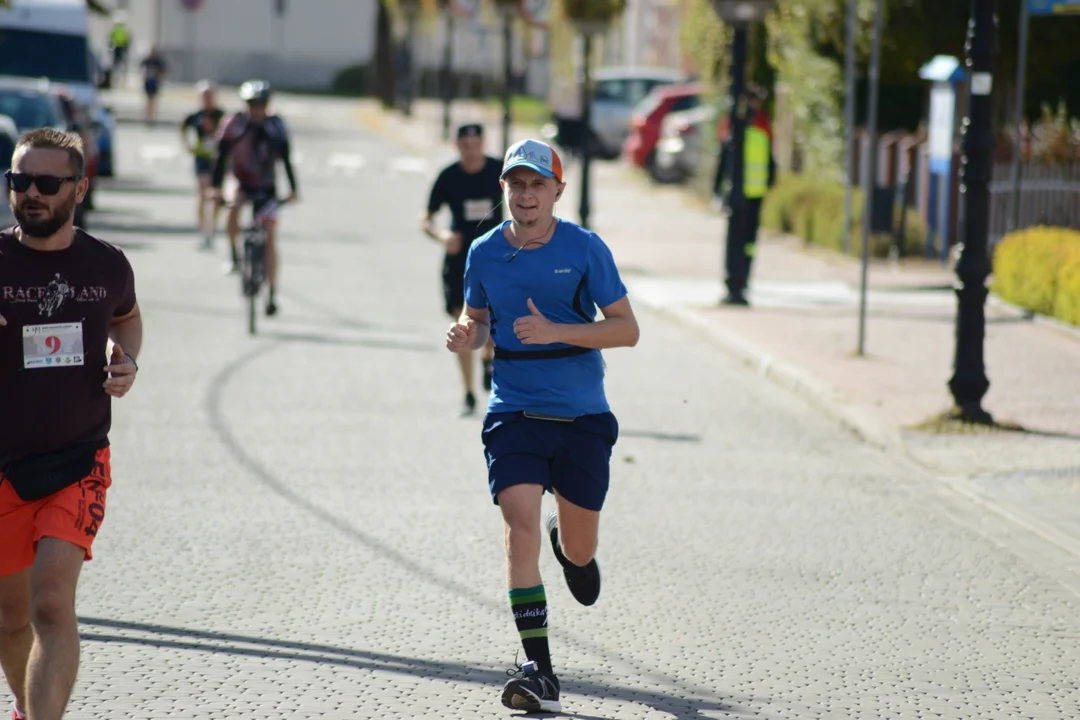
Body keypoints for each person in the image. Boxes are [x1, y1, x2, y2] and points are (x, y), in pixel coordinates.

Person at [445, 139, 640, 713]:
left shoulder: (584, 249)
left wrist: (558, 331)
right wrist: (466, 333)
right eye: (516, 185)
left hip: (581, 415)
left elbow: (626, 329)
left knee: (579, 550)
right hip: (514, 410)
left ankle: (571, 548)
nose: (526, 196)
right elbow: (477, 318)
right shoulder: (483, 252)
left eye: (537, 185)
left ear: (558, 190)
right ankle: (540, 670)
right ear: (503, 189)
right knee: (517, 520)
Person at [0, 128, 141, 720]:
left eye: (47, 183)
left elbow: (127, 319)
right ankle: (26, 708)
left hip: (77, 461)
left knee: (52, 604)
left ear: (79, 188)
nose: (31, 193)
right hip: (3, 465)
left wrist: (127, 359)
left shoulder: (106, 264)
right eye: (19, 181)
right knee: (10, 619)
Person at [422, 123, 502, 416]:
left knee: (493, 319)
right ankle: (468, 392)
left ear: (483, 143)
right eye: (465, 146)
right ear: (457, 146)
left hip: (494, 258)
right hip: (460, 261)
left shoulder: (499, 172)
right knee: (463, 326)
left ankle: (488, 357)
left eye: (475, 145)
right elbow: (426, 218)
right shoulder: (449, 176)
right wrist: (442, 237)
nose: (471, 152)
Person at [211, 80, 298, 316]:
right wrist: (215, 188)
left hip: (266, 187)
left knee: (270, 237)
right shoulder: (233, 123)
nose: (256, 109)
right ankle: (232, 253)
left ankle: (271, 294)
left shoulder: (276, 125)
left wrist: (293, 189)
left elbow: (286, 159)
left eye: (261, 105)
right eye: (252, 104)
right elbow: (220, 157)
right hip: (240, 182)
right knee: (232, 208)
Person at [712, 83, 776, 306]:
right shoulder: (759, 126)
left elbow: (722, 159)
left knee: (741, 241)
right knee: (746, 241)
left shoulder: (737, 125)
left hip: (743, 195)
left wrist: (718, 191)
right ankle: (740, 282)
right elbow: (771, 164)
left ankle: (737, 282)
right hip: (753, 195)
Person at [181, 80, 226, 250]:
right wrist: (188, 146)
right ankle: (202, 230)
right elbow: (183, 127)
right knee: (202, 193)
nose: (207, 99)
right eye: (204, 96)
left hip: (218, 159)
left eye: (210, 96)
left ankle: (211, 229)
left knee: (216, 195)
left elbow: (228, 134)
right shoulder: (195, 115)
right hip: (201, 158)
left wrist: (215, 131)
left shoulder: (221, 115)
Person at [139, 46, 168, 127]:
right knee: (148, 100)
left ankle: (152, 117)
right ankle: (147, 116)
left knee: (153, 101)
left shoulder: (158, 61)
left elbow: (164, 70)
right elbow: (141, 69)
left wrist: (158, 74)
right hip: (147, 83)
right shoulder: (146, 61)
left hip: (155, 83)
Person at [108, 16, 131, 84]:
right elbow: (127, 39)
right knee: (120, 64)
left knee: (116, 64)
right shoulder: (124, 29)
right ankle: (121, 79)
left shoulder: (115, 29)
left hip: (117, 48)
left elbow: (111, 37)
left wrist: (110, 47)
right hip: (121, 48)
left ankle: (118, 79)